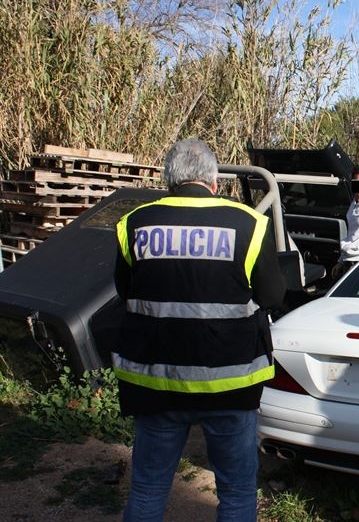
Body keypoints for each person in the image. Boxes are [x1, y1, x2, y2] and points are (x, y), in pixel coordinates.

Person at [113, 138, 286, 522]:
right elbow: (273, 295)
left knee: (147, 489)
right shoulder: (250, 225)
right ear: (214, 180)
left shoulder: (135, 223)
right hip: (230, 383)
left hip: (157, 383)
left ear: (168, 180)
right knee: (237, 491)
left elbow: (126, 291)